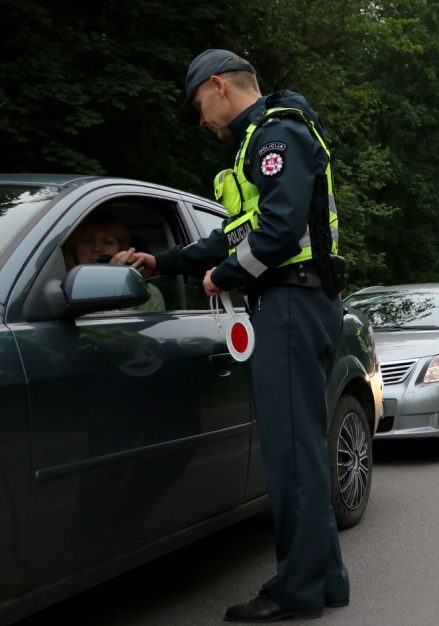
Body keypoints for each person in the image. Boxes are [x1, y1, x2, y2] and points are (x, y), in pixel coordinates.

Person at [126, 49, 347, 622]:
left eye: (199, 104)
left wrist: (222, 278)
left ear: (219, 86)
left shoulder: (277, 133)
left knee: (290, 453)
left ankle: (296, 593)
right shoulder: (260, 143)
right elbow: (231, 236)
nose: (201, 120)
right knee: (303, 450)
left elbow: (276, 230)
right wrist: (165, 262)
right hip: (295, 302)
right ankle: (324, 581)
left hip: (291, 301)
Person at [64, 211, 165, 312]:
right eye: (87, 241)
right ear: (74, 250)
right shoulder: (60, 291)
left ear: (121, 251)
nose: (97, 248)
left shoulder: (146, 293)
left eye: (107, 242)